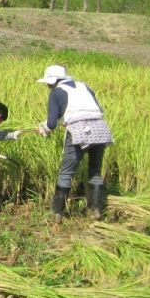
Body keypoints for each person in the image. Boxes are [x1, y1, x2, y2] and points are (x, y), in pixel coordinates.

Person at [36, 65, 113, 223]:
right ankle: (96, 211)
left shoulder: (56, 92)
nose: (47, 85)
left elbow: (51, 124)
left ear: (52, 81)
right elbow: (99, 109)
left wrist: (43, 128)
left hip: (79, 131)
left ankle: (57, 214)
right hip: (100, 128)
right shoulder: (84, 86)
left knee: (66, 173)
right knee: (95, 172)